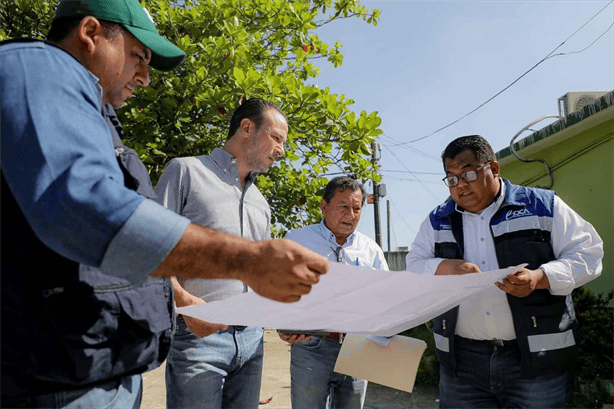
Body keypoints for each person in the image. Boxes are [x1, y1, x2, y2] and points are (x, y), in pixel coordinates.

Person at [0, 1, 328, 407]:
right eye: (140, 57)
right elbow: (87, 212)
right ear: (90, 33)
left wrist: (180, 298)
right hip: (47, 379)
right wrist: (248, 260)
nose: (146, 78)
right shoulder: (39, 70)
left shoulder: (89, 117)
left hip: (92, 368)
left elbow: (121, 253)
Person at [405, 135, 603, 409]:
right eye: (451, 179)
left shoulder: (542, 206)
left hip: (535, 360)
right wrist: (444, 267)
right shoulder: (437, 220)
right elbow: (413, 264)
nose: (460, 185)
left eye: (469, 174)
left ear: (494, 169)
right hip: (462, 363)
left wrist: (540, 278)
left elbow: (588, 253)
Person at [154, 98, 287, 409]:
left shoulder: (261, 204)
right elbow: (153, 244)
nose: (282, 150)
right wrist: (184, 303)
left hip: (253, 340)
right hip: (198, 336)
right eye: (277, 138)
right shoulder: (185, 171)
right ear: (246, 128)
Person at [279, 176, 389, 409]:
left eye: (357, 208)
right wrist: (283, 323)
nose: (351, 215)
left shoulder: (371, 250)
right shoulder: (297, 240)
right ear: (324, 206)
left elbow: (384, 298)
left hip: (358, 347)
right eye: (343, 207)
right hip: (312, 346)